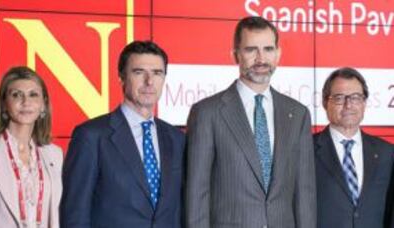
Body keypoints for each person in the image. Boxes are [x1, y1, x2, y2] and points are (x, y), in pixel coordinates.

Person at [186, 16, 316, 228]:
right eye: (251, 50)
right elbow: (197, 193)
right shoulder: (207, 113)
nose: (261, 59)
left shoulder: (298, 114)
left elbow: (305, 194)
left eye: (268, 49)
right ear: (235, 55)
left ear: (278, 53)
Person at [60, 41, 185, 228]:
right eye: (139, 72)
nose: (149, 81)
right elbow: (75, 214)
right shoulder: (91, 136)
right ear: (121, 77)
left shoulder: (177, 139)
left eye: (157, 73)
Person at [0, 66, 64, 228]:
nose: (26, 102)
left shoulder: (55, 154)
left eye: (33, 95)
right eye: (16, 95)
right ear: (4, 104)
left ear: (43, 106)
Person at [315, 67, 394, 228]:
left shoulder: (387, 153)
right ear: (325, 102)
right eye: (339, 98)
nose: (348, 105)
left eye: (356, 98)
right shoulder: (305, 150)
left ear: (364, 103)